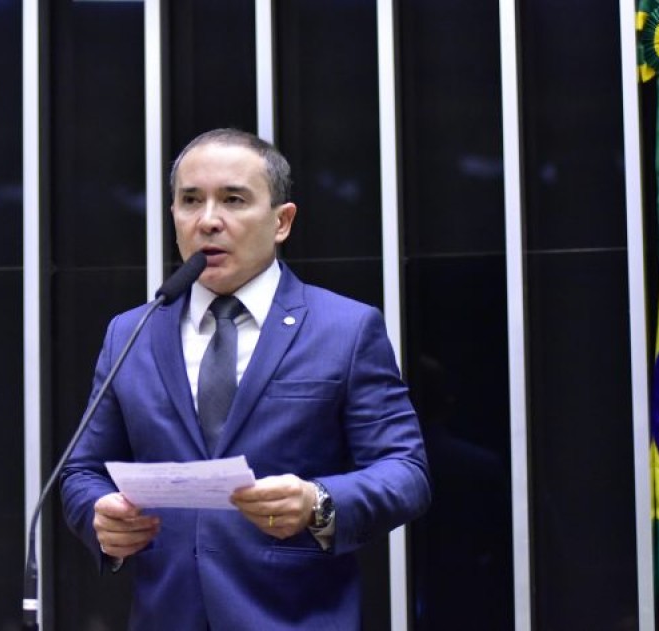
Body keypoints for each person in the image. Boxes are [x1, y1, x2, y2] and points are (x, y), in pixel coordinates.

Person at [60, 128, 431, 629]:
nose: (208, 220)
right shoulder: (132, 332)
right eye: (191, 200)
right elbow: (80, 471)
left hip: (293, 617)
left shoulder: (345, 328)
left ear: (282, 221)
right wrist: (99, 514)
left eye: (233, 200)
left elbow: (405, 471)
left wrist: (318, 502)